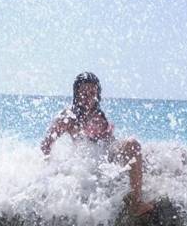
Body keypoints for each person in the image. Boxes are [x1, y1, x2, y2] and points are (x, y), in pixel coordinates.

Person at [41, 72, 155, 216]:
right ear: (76, 94)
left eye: (92, 93)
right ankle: (135, 204)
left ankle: (138, 193)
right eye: (84, 93)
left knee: (136, 146)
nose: (89, 98)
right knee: (132, 145)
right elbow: (46, 144)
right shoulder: (67, 117)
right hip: (89, 164)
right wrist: (49, 170)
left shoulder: (98, 114)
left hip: (107, 156)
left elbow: (109, 142)